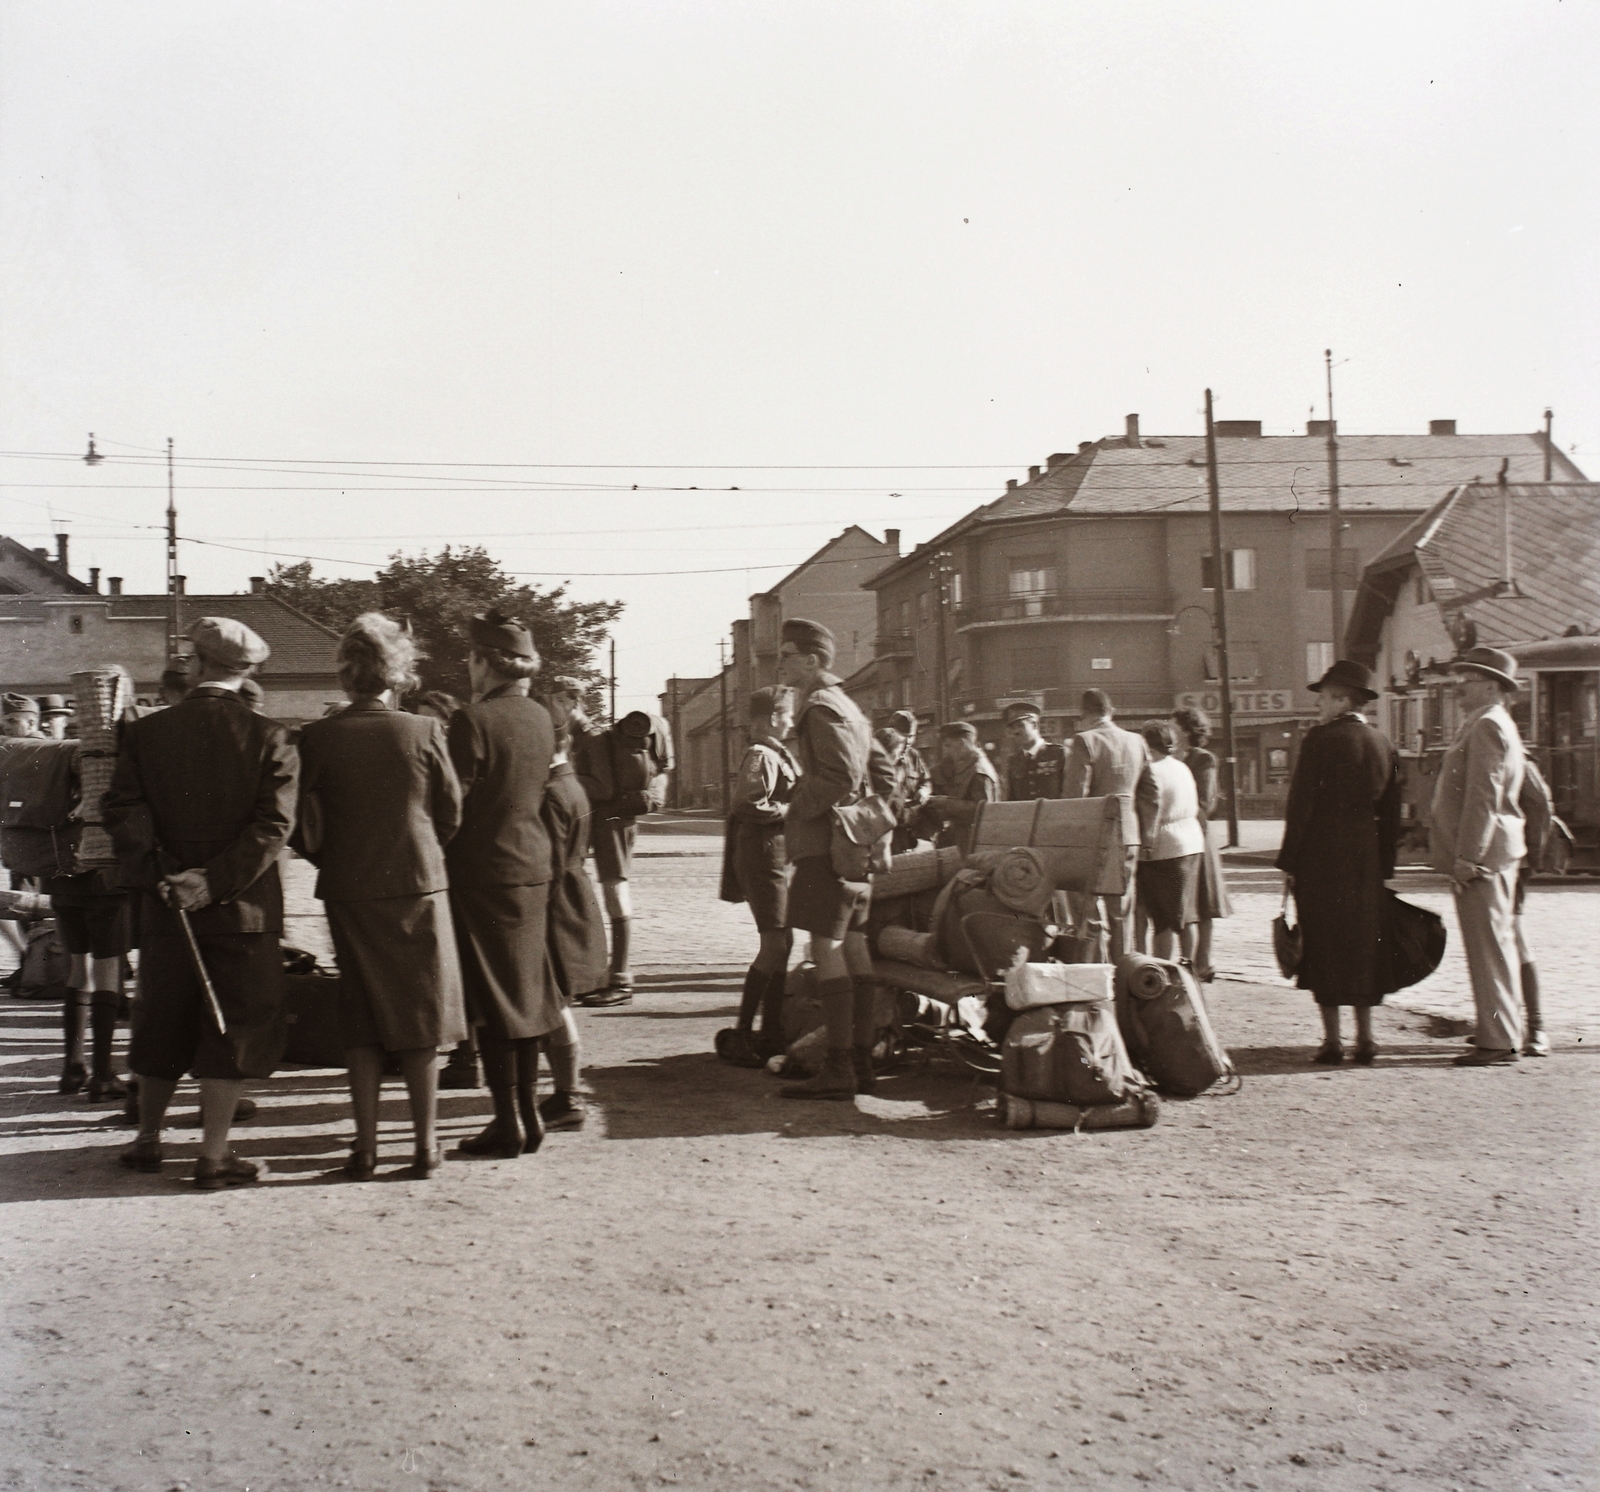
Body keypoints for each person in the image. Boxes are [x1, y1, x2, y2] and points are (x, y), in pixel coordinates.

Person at [104, 617, 299, 1187]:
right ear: (248, 671)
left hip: (167, 906)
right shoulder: (273, 737)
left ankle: (146, 1140)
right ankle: (214, 1155)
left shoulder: (147, 732)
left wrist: (162, 874)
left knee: (161, 1016)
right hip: (242, 911)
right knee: (232, 1025)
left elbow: (123, 810)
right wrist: (212, 881)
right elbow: (274, 826)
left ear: (196, 663)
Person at [295, 614, 467, 1180]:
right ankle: (425, 1146)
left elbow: (301, 826)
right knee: (421, 1015)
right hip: (418, 885)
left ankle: (365, 1149)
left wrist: (339, 860)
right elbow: (450, 812)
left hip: (349, 889)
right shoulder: (424, 731)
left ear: (346, 673)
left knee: (361, 1016)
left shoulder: (317, 737)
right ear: (399, 671)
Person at [445, 610, 560, 1157]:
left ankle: (506, 1121)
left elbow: (452, 807)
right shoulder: (541, 716)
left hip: (482, 872)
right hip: (532, 868)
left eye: (471, 659)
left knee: (493, 1001)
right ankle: (528, 1114)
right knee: (526, 994)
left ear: (486, 663)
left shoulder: (471, 720)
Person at [774, 618, 894, 1100]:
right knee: (855, 944)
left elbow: (841, 776)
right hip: (854, 847)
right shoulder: (850, 707)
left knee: (825, 947)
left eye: (787, 655)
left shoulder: (819, 706)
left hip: (826, 846)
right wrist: (872, 823)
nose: (780, 663)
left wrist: (797, 807)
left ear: (814, 660)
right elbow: (883, 772)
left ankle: (840, 1067)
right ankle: (861, 1061)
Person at [1275, 660, 1400, 1065]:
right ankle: (1366, 1039)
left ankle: (1332, 1041)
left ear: (1344, 700)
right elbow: (1392, 813)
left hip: (1322, 856)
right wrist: (1384, 866)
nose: (1320, 706)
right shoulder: (1384, 743)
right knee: (1363, 945)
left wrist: (1290, 859)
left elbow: (1302, 804)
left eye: (1325, 698)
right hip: (1365, 858)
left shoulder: (1319, 740)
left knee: (1324, 943)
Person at [1429, 646, 1528, 1066]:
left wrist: (1468, 857)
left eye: (1466, 680)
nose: (1458, 687)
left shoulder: (1487, 725)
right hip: (1492, 852)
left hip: (1483, 856)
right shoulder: (1489, 722)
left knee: (1488, 948)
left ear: (1491, 685)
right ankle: (1500, 1029)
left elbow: (1482, 798)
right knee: (1493, 945)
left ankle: (1498, 1041)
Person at [533, 676, 608, 1129]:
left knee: (549, 999)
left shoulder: (549, 793)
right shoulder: (573, 784)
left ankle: (568, 1096)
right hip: (573, 897)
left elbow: (546, 858)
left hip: (554, 904)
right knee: (551, 1000)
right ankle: (567, 1094)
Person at [718, 685, 799, 1065]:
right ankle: (742, 1034)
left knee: (784, 942)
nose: (791, 721)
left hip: (775, 858)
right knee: (775, 946)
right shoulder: (761, 754)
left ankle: (771, 1033)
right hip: (764, 858)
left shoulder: (773, 753)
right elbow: (748, 803)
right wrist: (790, 811)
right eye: (786, 715)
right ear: (771, 718)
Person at [572, 701, 669, 1005]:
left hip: (611, 821)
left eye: (558, 701)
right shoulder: (591, 738)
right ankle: (602, 976)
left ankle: (620, 979)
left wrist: (565, 778)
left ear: (573, 703)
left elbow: (602, 788)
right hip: (607, 819)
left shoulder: (594, 739)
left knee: (615, 893)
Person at [1063, 690, 1158, 959]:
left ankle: (1097, 972)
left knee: (1086, 910)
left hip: (1092, 838)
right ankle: (1124, 974)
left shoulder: (1084, 741)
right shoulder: (1137, 741)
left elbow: (1074, 797)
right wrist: (1147, 836)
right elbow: (1151, 792)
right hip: (1129, 835)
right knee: (1121, 913)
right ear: (1110, 710)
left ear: (1084, 714)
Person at [1135, 721, 1205, 965]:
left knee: (1162, 919)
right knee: (1187, 915)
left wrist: (1146, 844)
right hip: (1191, 843)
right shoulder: (1181, 767)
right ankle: (1188, 967)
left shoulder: (1150, 770)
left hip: (1164, 848)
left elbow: (1151, 807)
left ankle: (1162, 972)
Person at [1172, 706, 1233, 981]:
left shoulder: (1203, 759)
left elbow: (1206, 803)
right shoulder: (1171, 758)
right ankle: (1188, 960)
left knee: (1202, 903)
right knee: (1185, 903)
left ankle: (1203, 961)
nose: (1169, 729)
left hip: (1197, 836)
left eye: (1173, 725)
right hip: (1178, 838)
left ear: (1187, 730)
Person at [913, 721, 1000, 852]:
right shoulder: (964, 765)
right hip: (962, 837)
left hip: (975, 841)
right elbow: (936, 774)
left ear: (963, 744)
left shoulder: (979, 771)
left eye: (948, 745)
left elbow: (982, 810)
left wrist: (945, 803)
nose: (945, 751)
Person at [880, 709, 930, 853]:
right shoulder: (881, 755)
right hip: (889, 828)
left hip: (909, 829)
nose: (908, 741)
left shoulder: (913, 756)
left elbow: (925, 780)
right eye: (903, 736)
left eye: (911, 736)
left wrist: (924, 791)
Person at [1003, 701, 1067, 800]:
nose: (1016, 732)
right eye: (1012, 728)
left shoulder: (1058, 754)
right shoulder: (1014, 762)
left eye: (1020, 725)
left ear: (1034, 725)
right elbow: (1011, 801)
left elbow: (1069, 793)